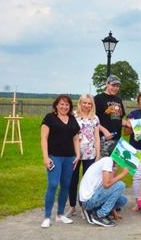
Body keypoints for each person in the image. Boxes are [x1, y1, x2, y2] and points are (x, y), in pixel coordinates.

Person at [40, 94, 81, 228]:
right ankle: (47, 216)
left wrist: (78, 154)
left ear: (70, 106)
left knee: (66, 185)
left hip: (69, 158)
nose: (64, 106)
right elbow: (44, 138)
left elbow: (75, 138)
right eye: (62, 104)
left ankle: (60, 215)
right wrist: (46, 157)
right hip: (54, 157)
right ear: (56, 105)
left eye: (67, 104)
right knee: (53, 184)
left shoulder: (72, 119)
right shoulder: (49, 118)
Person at [67, 94, 101, 217]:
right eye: (84, 103)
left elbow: (97, 138)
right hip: (74, 153)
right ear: (80, 103)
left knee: (87, 182)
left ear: (92, 105)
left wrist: (98, 155)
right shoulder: (73, 116)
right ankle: (72, 206)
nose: (86, 105)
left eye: (89, 103)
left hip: (90, 153)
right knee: (73, 180)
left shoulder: (95, 118)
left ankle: (84, 206)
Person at [79, 157, 128, 227]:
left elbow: (111, 192)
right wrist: (122, 174)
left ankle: (93, 211)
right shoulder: (108, 160)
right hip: (87, 201)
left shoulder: (107, 163)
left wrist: (114, 213)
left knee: (123, 200)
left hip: (92, 197)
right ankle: (100, 215)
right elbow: (106, 185)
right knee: (120, 185)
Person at [94, 75, 126, 156]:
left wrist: (130, 124)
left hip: (117, 140)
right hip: (103, 140)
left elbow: (119, 119)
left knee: (113, 167)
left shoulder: (118, 100)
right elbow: (91, 119)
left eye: (117, 86)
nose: (115, 88)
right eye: (113, 85)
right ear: (107, 84)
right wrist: (103, 130)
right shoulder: (98, 99)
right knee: (104, 166)